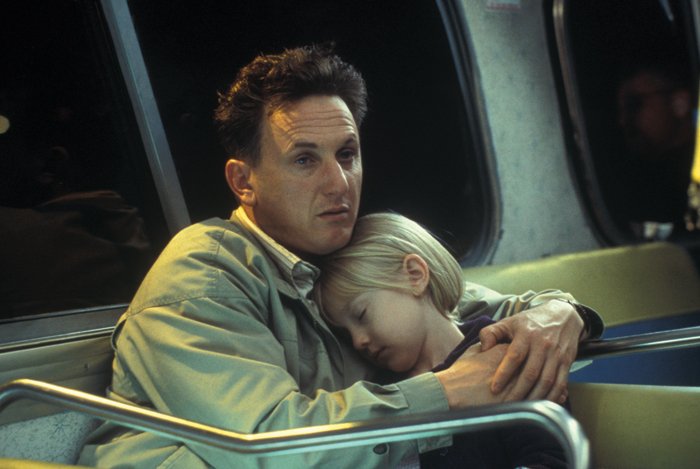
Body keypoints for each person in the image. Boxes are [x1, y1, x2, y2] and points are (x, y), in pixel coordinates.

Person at [78, 44, 603, 468]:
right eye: (305, 160)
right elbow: (266, 446)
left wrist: (562, 315)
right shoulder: (205, 272)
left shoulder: (344, 256)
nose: (339, 183)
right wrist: (446, 393)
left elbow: (468, 308)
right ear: (243, 181)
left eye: (347, 155)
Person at [317, 212, 581, 468]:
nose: (358, 341)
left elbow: (549, 456)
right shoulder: (385, 396)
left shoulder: (502, 354)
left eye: (362, 315)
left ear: (415, 275)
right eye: (346, 334)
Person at [611, 63, 696, 237]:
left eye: (634, 105)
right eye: (620, 110)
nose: (623, 120)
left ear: (679, 103)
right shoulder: (640, 180)